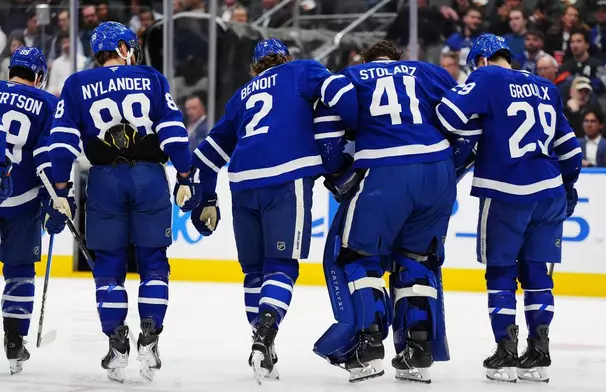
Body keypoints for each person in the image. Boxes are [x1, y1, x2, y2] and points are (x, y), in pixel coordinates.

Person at [188, 38, 358, 384]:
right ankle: (265, 336)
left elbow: (207, 154)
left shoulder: (242, 95)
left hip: (242, 184)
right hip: (286, 177)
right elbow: (341, 93)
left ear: (255, 67)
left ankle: (261, 346)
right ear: (286, 57)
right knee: (280, 266)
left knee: (254, 273)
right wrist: (358, 128)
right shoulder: (302, 69)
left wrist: (205, 198)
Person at [47, 22, 199, 383]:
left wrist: (62, 189)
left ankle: (117, 343)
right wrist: (184, 175)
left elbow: (62, 142)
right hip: (148, 177)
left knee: (110, 264)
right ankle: (150, 337)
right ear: (124, 47)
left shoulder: (76, 83)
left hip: (104, 180)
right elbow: (174, 131)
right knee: (153, 262)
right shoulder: (151, 77)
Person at [436, 33, 582, 383]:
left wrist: (477, 126)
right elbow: (571, 151)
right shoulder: (546, 86)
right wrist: (568, 187)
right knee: (537, 274)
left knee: (500, 272)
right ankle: (539, 354)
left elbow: (448, 116)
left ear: (483, 61)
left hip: (506, 191)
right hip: (549, 193)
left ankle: (505, 353)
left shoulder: (486, 77)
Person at [313, 40, 457, 384]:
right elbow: (465, 121)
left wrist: (337, 171)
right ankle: (417, 351)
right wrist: (454, 167)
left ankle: (368, 343)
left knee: (358, 256)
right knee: (416, 260)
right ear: (399, 59)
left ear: (366, 60)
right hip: (438, 171)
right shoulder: (429, 72)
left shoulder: (352, 76)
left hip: (385, 170)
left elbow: (327, 125)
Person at [0, 46, 63, 375]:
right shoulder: (49, 103)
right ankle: (14, 342)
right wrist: (57, 198)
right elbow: (47, 156)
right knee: (20, 270)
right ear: (39, 76)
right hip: (22, 201)